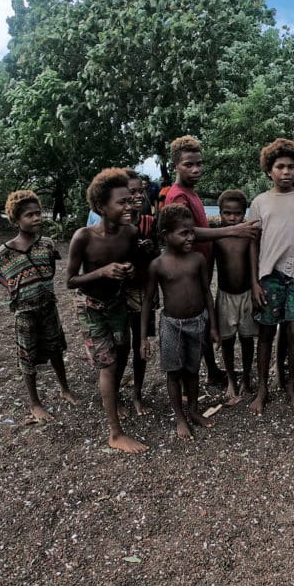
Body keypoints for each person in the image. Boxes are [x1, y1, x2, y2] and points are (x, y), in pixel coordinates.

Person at [164, 135, 261, 385]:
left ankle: (213, 372)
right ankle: (192, 380)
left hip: (201, 270)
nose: (196, 169)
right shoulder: (177, 196)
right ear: (175, 165)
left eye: (199, 163)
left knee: (205, 322)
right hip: (188, 271)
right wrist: (232, 230)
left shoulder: (191, 193)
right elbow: (186, 232)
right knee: (195, 325)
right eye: (188, 164)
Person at [66, 168, 146, 454]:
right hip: (90, 307)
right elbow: (70, 281)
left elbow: (134, 266)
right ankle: (115, 432)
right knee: (108, 365)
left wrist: (128, 269)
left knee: (122, 350)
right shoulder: (83, 237)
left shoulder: (130, 233)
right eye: (122, 202)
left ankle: (114, 396)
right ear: (101, 207)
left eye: (130, 200)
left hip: (117, 304)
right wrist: (102, 272)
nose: (130, 206)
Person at [0, 190, 78, 421]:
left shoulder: (47, 244)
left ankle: (64, 388)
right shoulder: (6, 252)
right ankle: (34, 402)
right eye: (29, 215)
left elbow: (51, 268)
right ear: (16, 220)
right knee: (27, 355)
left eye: (38, 213)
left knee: (55, 347)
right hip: (24, 311)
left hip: (48, 306)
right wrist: (9, 285)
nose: (36, 218)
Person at [248, 139, 294, 415]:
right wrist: (254, 281)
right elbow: (253, 243)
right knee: (266, 332)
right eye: (280, 167)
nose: (286, 172)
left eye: (291, 166)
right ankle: (263, 388)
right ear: (269, 170)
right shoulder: (260, 202)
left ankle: (291, 384)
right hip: (270, 275)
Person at [141, 204, 219, 440]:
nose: (190, 237)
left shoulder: (197, 259)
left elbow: (207, 293)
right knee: (174, 373)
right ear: (166, 235)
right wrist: (144, 337)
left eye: (191, 232)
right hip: (171, 325)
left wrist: (213, 326)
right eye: (183, 233)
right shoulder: (158, 265)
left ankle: (193, 410)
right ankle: (179, 416)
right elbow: (148, 301)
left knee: (193, 369)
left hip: (198, 322)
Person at [214, 189, 257, 405]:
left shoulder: (249, 235)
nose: (232, 218)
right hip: (225, 296)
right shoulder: (217, 237)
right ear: (220, 213)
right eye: (227, 214)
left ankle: (247, 377)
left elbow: (253, 265)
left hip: (247, 294)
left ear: (244, 213)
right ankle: (231, 378)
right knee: (228, 341)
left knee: (247, 339)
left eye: (238, 214)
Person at [123, 170, 158, 415]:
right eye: (131, 192)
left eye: (139, 191)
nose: (137, 196)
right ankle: (113, 393)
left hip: (144, 290)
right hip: (120, 292)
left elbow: (156, 253)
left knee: (140, 343)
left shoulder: (148, 221)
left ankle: (137, 393)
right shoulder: (114, 224)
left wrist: (149, 248)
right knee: (119, 345)